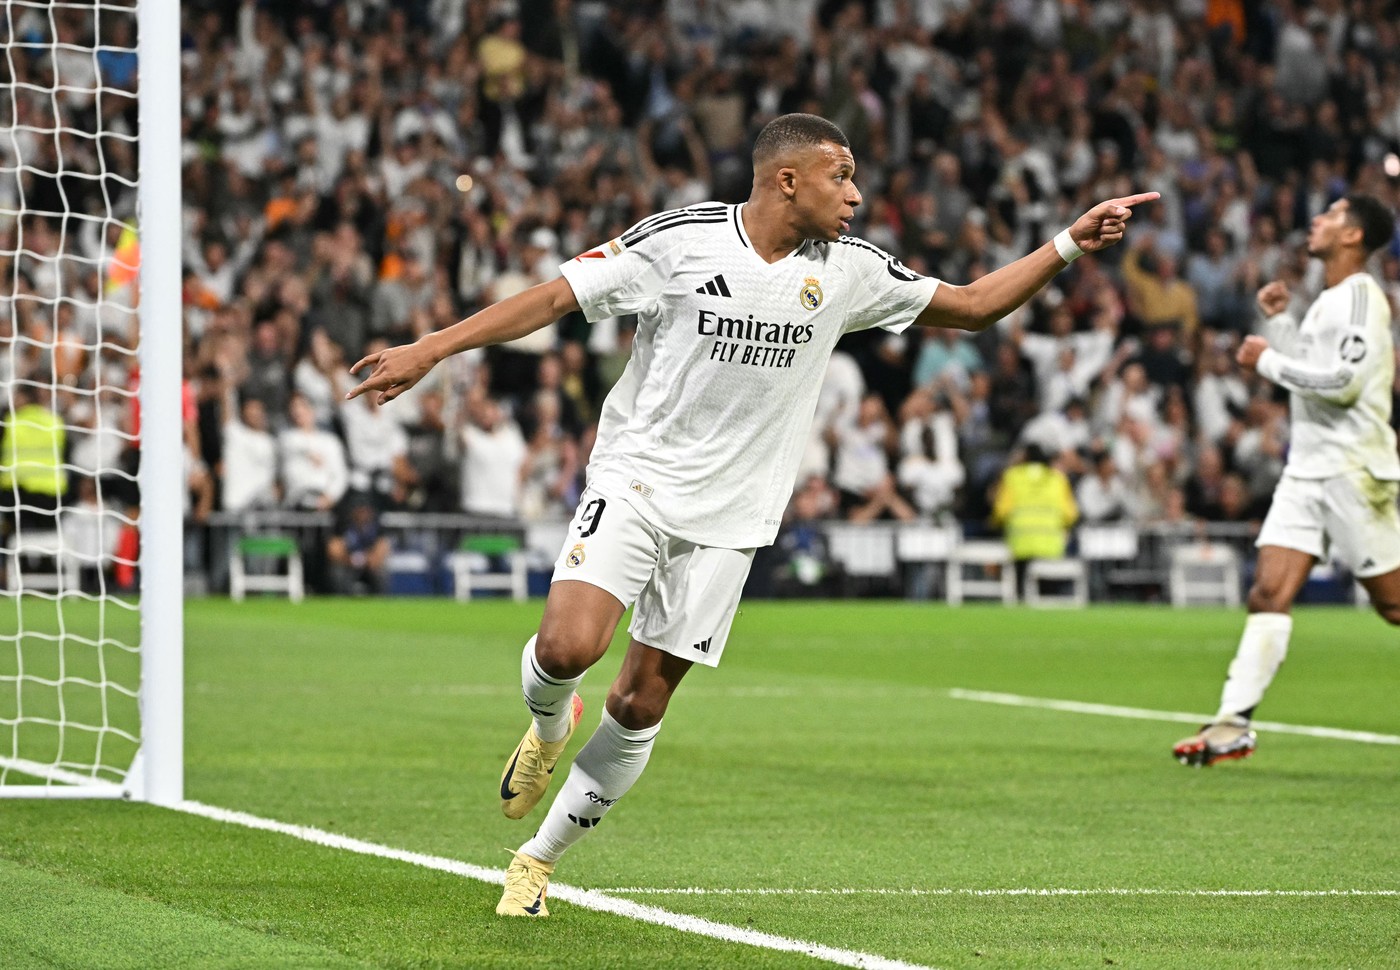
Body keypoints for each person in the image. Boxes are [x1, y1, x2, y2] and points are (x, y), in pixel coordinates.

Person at [346, 113, 1156, 916]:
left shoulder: (850, 271)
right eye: (841, 175)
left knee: (640, 705)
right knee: (565, 648)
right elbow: (556, 297)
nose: (857, 194)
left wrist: (1069, 243)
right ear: (786, 179)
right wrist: (432, 348)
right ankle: (549, 726)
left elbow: (976, 305)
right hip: (638, 482)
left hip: (733, 520)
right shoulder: (680, 241)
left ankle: (537, 861)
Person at [1173, 194, 1400, 767]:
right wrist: (1279, 325)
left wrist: (1265, 361)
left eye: (1332, 214)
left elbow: (1343, 383)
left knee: (1394, 606)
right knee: (1267, 593)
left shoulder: (1360, 300)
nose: (1317, 220)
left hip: (1353, 470)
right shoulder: (1327, 300)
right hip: (1307, 471)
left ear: (1354, 236)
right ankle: (1232, 725)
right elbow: (1314, 370)